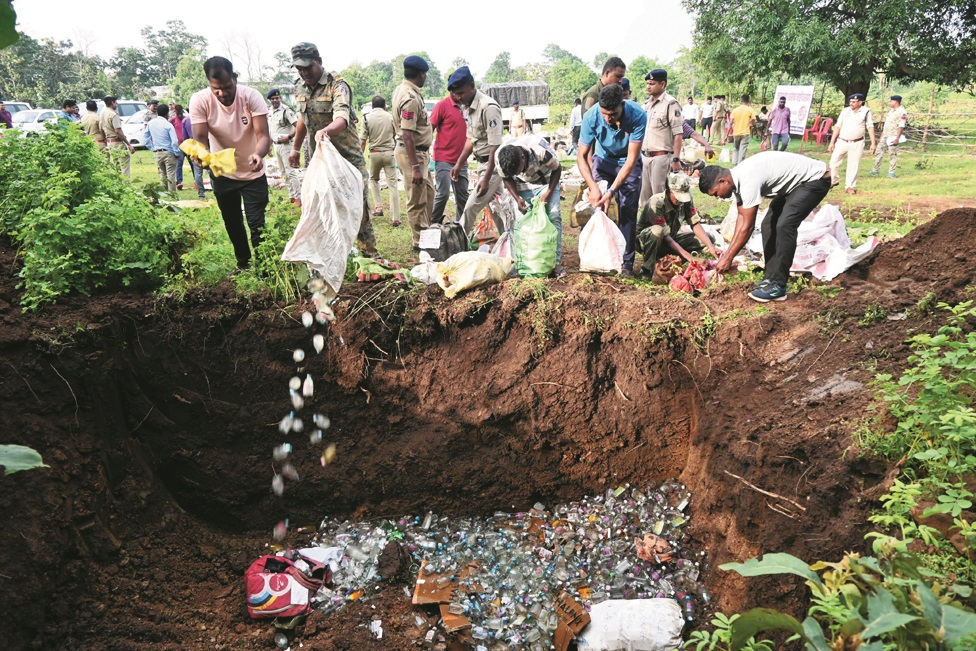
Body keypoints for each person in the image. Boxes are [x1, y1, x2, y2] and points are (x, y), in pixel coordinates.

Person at [699, 152, 832, 302]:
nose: (717, 198)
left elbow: (747, 228)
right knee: (768, 225)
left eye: (716, 193)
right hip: (794, 186)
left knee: (785, 225)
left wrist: (729, 258)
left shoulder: (748, 180)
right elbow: (741, 219)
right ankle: (770, 278)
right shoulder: (736, 181)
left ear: (723, 181)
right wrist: (727, 253)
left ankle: (779, 286)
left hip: (815, 180)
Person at [288, 42, 377, 255]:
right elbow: (302, 118)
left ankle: (370, 254)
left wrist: (326, 131)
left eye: (307, 67)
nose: (304, 73)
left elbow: (342, 118)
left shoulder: (338, 85)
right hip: (319, 160)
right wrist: (295, 148)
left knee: (358, 206)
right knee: (321, 206)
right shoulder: (299, 87)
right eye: (299, 69)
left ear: (319, 61)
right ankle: (331, 253)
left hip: (347, 157)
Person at [189, 56, 271, 271]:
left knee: (256, 223)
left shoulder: (251, 96)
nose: (222, 94)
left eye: (226, 87)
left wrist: (258, 154)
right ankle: (243, 264)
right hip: (223, 173)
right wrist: (201, 157)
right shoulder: (200, 101)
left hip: (253, 171)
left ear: (234, 77)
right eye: (216, 89)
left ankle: (264, 267)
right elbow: (200, 139)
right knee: (233, 222)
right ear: (209, 83)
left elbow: (263, 135)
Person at [576, 83, 646, 277]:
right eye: (604, 114)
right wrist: (594, 187)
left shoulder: (638, 115)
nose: (608, 119)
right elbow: (581, 156)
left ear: (622, 104)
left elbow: (631, 160)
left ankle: (626, 264)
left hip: (627, 163)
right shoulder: (591, 116)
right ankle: (602, 259)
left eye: (612, 114)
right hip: (603, 160)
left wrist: (611, 191)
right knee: (599, 208)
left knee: (627, 211)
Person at [496, 135, 565, 277]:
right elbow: (506, 178)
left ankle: (555, 264)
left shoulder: (540, 150)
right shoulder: (500, 157)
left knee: (553, 216)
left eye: (519, 169)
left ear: (523, 157)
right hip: (521, 186)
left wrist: (547, 194)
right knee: (521, 223)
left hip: (546, 182)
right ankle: (524, 263)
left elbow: (557, 169)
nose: (519, 173)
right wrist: (517, 198)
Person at [449, 66, 505, 235]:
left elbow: (495, 145)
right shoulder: (468, 107)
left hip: (492, 166)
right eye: (455, 94)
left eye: (461, 93)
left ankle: (458, 243)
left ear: (472, 85)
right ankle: (509, 240)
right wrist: (459, 164)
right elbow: (471, 139)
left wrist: (486, 177)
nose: (458, 97)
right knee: (497, 209)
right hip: (482, 164)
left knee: (470, 207)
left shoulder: (488, 108)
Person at [636, 172, 720, 277]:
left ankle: (670, 259)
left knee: (709, 237)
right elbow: (666, 237)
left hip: (670, 240)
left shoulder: (686, 201)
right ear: (669, 191)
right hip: (647, 242)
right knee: (657, 231)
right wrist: (690, 257)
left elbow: (695, 223)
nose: (680, 201)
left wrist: (711, 247)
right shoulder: (656, 202)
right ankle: (647, 269)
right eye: (678, 196)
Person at [391, 56, 435, 250]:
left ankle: (427, 235)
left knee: (428, 194)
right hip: (412, 154)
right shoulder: (409, 98)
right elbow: (407, 134)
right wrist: (416, 166)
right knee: (417, 199)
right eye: (425, 75)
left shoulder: (405, 91)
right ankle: (420, 243)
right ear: (421, 74)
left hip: (419, 154)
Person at [640, 68, 683, 205]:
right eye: (647, 83)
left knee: (660, 197)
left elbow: (678, 133)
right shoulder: (647, 105)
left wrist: (676, 159)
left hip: (661, 157)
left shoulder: (671, 104)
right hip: (645, 157)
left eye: (652, 83)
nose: (648, 87)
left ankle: (663, 225)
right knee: (645, 198)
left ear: (662, 84)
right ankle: (648, 226)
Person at [360, 95, 401, 225]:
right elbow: (397, 136)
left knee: (373, 180)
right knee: (393, 185)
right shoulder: (391, 117)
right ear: (385, 106)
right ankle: (396, 217)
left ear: (372, 106)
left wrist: (360, 157)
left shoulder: (366, 118)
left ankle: (378, 207)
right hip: (390, 153)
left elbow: (362, 141)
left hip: (374, 154)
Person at [429, 93, 470, 224]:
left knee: (463, 196)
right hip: (444, 158)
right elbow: (430, 128)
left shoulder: (467, 106)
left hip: (462, 159)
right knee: (443, 194)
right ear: (452, 90)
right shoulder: (441, 106)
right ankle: (433, 224)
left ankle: (461, 228)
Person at [828, 93, 875, 195]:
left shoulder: (866, 111)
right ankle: (834, 180)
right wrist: (832, 142)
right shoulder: (845, 111)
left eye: (854, 102)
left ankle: (849, 186)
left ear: (860, 102)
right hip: (842, 141)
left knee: (853, 165)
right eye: (850, 101)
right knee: (833, 162)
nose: (851, 103)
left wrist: (873, 143)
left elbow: (870, 127)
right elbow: (838, 126)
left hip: (857, 142)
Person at [267, 88, 302, 205]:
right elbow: (271, 130)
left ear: (280, 98)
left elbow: (298, 126)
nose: (275, 100)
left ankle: (298, 197)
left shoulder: (286, 111)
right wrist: (269, 146)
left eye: (277, 98)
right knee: (283, 172)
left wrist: (290, 137)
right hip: (277, 145)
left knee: (290, 171)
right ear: (270, 101)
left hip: (286, 145)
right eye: (272, 99)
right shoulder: (270, 113)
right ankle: (292, 195)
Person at [145, 103, 180, 192]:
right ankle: (172, 194)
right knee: (171, 174)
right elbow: (175, 141)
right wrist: (176, 152)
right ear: (167, 113)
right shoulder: (168, 124)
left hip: (157, 152)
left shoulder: (151, 123)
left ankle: (164, 194)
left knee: (162, 174)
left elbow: (146, 138)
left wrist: (152, 148)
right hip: (169, 152)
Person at [870, 95, 907, 179]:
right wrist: (882, 135)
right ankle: (876, 169)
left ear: (895, 102)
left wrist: (897, 138)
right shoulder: (891, 111)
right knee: (879, 151)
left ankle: (891, 172)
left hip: (893, 136)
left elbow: (901, 126)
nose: (889, 103)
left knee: (892, 154)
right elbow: (887, 124)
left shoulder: (902, 112)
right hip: (885, 135)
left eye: (891, 101)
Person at [100, 95, 135, 177]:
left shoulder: (102, 113)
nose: (117, 104)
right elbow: (118, 130)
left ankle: (118, 186)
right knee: (124, 165)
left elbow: (101, 128)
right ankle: (127, 186)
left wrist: (105, 140)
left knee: (116, 165)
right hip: (117, 142)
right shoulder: (113, 114)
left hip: (109, 142)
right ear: (112, 103)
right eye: (116, 102)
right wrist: (128, 144)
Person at [182, 109, 206, 199]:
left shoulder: (185, 120)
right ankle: (215, 190)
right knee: (211, 170)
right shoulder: (204, 117)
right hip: (206, 146)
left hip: (194, 148)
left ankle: (201, 194)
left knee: (197, 171)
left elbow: (185, 138)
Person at [730, 94, 756, 165]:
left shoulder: (735, 110)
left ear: (741, 101)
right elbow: (754, 122)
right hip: (745, 133)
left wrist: (728, 133)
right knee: (742, 150)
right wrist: (756, 131)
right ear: (748, 101)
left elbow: (731, 122)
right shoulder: (750, 110)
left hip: (736, 133)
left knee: (736, 149)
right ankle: (740, 165)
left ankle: (734, 164)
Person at [169, 104, 188, 189]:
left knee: (193, 163)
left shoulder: (186, 119)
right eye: (177, 112)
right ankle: (179, 182)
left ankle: (197, 182)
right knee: (179, 164)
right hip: (179, 145)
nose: (179, 113)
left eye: (180, 111)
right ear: (175, 112)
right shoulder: (173, 120)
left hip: (188, 145)